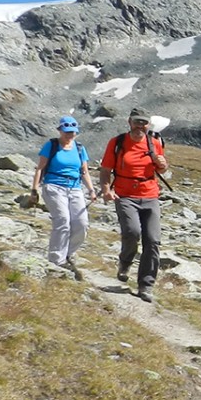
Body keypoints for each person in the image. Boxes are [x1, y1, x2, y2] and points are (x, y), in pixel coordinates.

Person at [100, 107, 170, 302]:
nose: (140, 126)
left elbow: (161, 169)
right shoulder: (117, 143)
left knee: (153, 240)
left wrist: (162, 164)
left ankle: (146, 285)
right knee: (132, 232)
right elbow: (106, 169)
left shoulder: (155, 143)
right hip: (124, 195)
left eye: (143, 123)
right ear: (129, 122)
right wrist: (107, 190)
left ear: (148, 125)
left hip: (150, 195)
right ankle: (125, 262)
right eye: (136, 122)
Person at [31, 116, 94, 279]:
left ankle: (68, 254)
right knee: (63, 221)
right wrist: (34, 189)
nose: (69, 135)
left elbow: (84, 171)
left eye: (72, 132)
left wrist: (91, 190)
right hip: (53, 186)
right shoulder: (51, 145)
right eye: (66, 132)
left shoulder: (80, 148)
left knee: (82, 223)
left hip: (75, 188)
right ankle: (56, 260)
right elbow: (40, 168)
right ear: (60, 131)